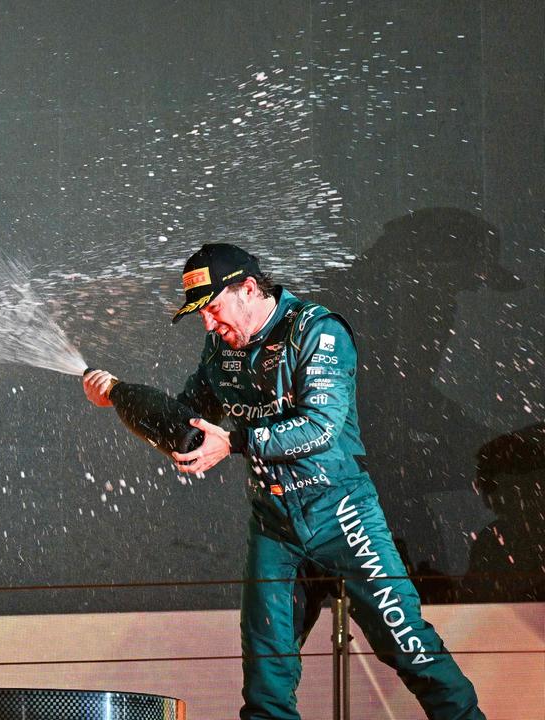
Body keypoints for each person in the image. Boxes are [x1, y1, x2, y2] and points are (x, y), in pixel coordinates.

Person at [82, 244, 483, 719]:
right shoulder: (220, 348)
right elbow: (187, 425)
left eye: (212, 308)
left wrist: (233, 443)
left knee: (410, 647)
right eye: (200, 315)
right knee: (267, 680)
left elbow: (321, 426)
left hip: (342, 515)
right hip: (274, 525)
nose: (208, 325)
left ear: (248, 289)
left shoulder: (317, 331)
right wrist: (122, 398)